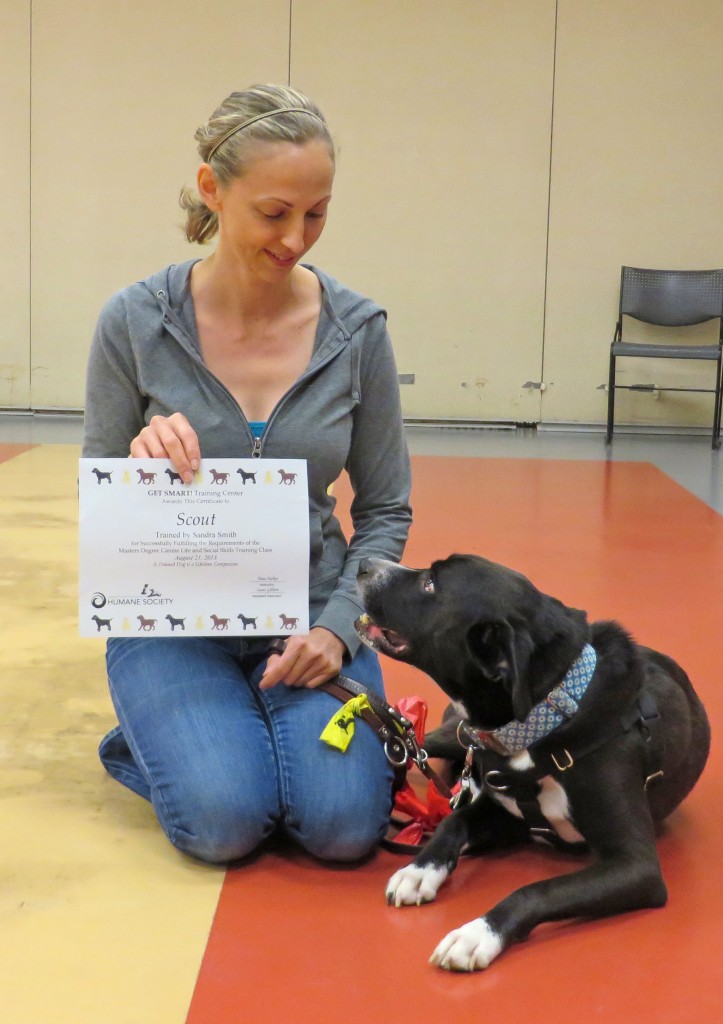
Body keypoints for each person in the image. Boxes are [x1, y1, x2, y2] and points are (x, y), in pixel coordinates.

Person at [82, 84, 412, 864]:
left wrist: (339, 630)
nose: (297, 237)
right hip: (173, 625)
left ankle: (214, 736)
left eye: (317, 211)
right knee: (224, 825)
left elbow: (388, 510)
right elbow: (98, 494)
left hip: (309, 617)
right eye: (274, 212)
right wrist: (137, 464)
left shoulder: (357, 332)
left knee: (341, 832)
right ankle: (160, 736)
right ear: (212, 190)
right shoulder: (132, 323)